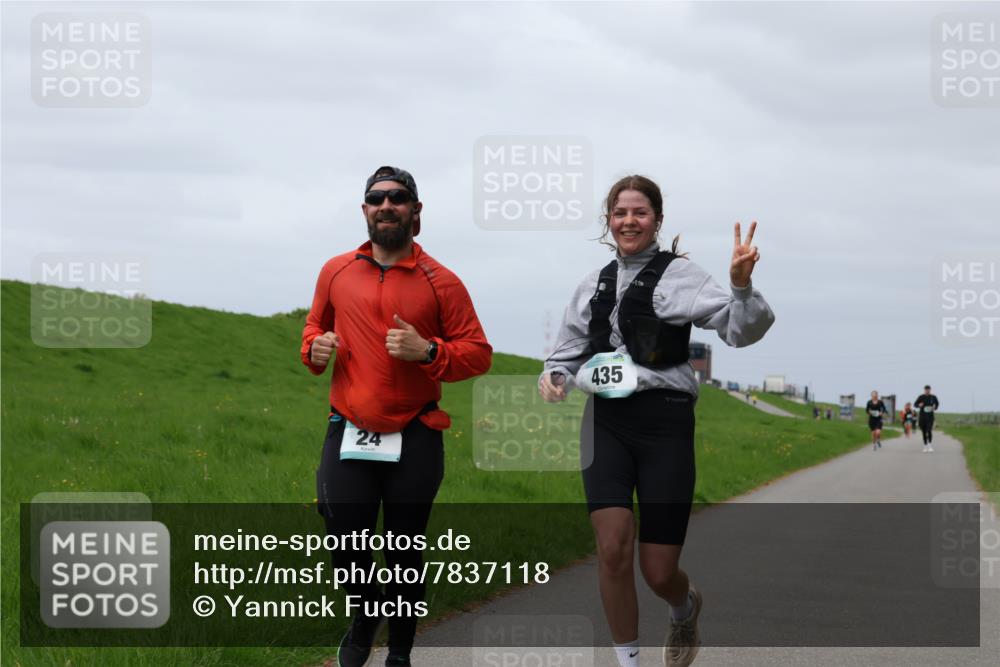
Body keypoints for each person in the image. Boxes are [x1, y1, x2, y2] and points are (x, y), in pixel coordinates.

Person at [538, 175, 774, 667]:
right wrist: (554, 376)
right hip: (605, 421)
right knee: (612, 546)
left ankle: (684, 607)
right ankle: (628, 661)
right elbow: (563, 352)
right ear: (609, 221)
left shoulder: (681, 277)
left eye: (640, 213)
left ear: (657, 221)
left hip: (664, 423)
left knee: (658, 569)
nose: (629, 221)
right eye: (620, 213)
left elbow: (741, 329)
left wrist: (742, 285)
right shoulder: (593, 284)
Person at [302, 166, 492, 667]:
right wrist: (315, 349)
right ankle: (365, 616)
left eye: (398, 198)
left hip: (416, 431)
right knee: (344, 538)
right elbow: (314, 327)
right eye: (375, 198)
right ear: (364, 210)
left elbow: (478, 354)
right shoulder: (336, 271)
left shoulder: (441, 281)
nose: (386, 205)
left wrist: (428, 351)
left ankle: (400, 655)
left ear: (416, 211)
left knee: (404, 552)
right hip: (349, 427)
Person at [914, 385, 940, 453]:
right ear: (924, 390)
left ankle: (930, 445)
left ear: (930, 390)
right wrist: (919, 405)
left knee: (929, 430)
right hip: (922, 417)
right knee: (924, 432)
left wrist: (935, 407)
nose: (927, 391)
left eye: (928, 389)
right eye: (926, 389)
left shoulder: (933, 397)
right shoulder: (921, 397)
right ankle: (925, 446)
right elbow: (915, 404)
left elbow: (937, 404)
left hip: (930, 417)